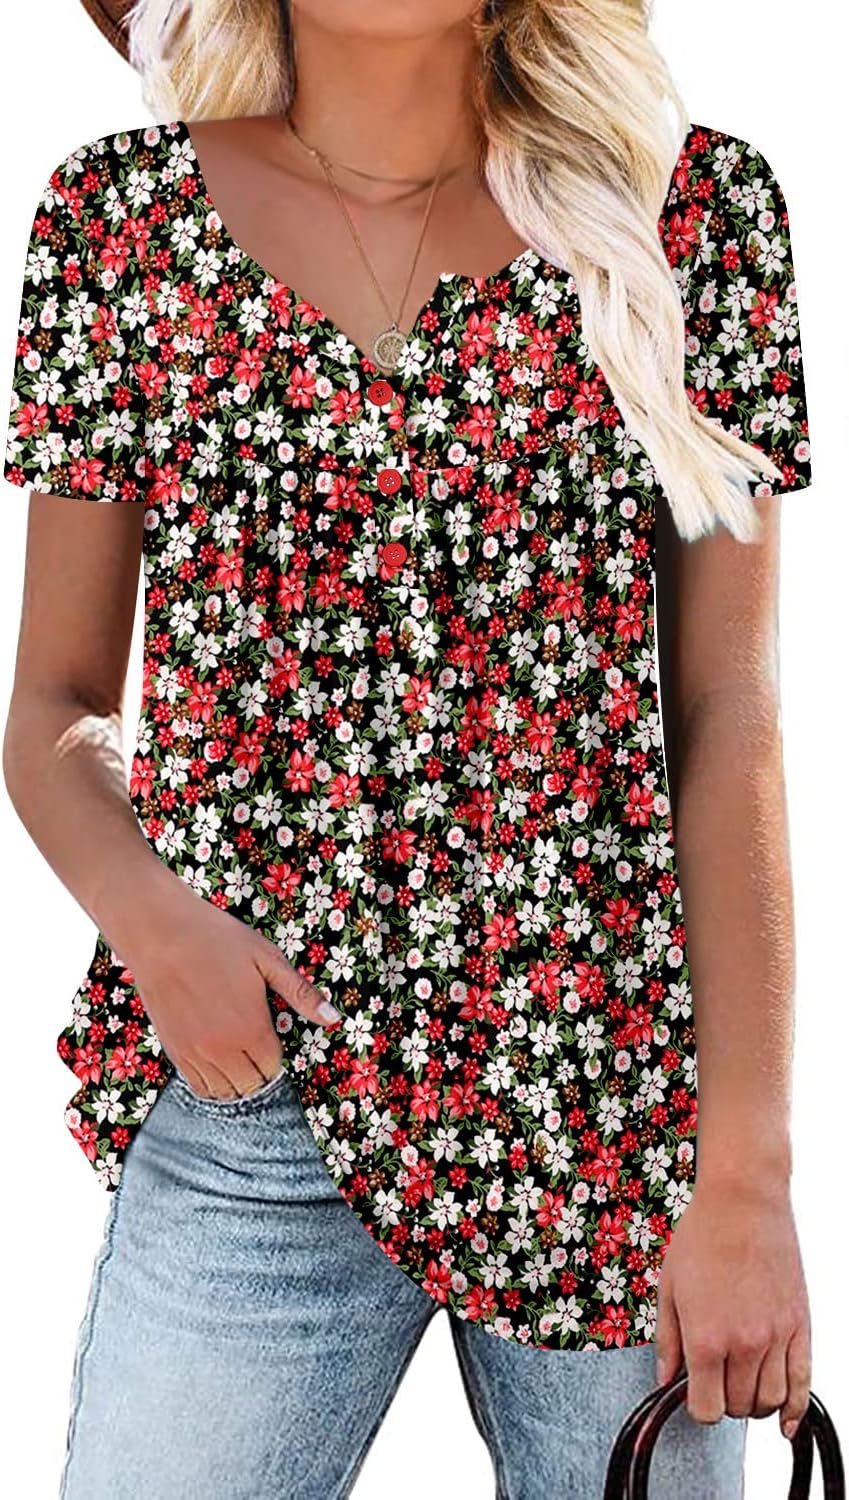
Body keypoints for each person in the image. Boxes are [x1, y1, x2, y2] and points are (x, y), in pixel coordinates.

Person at [1, 1, 814, 1496]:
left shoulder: (690, 214)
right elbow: (53, 702)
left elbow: (729, 720)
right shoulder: (120, 223)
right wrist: (156, 926)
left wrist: (747, 1179)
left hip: (603, 1117)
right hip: (256, 1100)